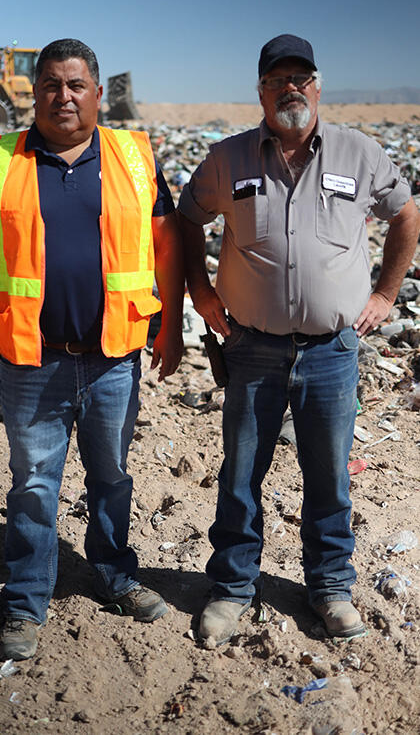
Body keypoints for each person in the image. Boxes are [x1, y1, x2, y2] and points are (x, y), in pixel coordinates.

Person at [178, 34, 420, 645]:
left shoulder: (359, 153)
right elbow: (185, 217)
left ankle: (331, 587)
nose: (291, 88)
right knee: (239, 475)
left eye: (301, 78)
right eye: (277, 79)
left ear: (317, 86)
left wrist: (386, 296)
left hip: (332, 353)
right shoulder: (229, 159)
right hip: (252, 347)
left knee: (328, 476)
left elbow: (406, 215)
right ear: (260, 91)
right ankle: (233, 588)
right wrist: (201, 293)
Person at [0, 38, 184, 661]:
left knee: (111, 477)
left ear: (98, 94)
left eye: (76, 85)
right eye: (51, 84)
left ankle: (111, 573)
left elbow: (166, 247)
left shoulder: (134, 157)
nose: (64, 96)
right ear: (34, 93)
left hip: (114, 358)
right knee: (33, 485)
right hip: (32, 359)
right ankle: (26, 598)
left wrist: (175, 325)